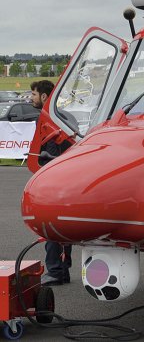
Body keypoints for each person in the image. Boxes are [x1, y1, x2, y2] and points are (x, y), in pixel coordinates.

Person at [30, 80, 73, 286]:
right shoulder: (64, 117)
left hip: (56, 186)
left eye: (34, 94)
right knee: (64, 227)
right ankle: (62, 270)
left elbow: (51, 157)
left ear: (45, 97)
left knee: (51, 227)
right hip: (70, 184)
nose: (31, 98)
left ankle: (55, 270)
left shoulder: (49, 121)